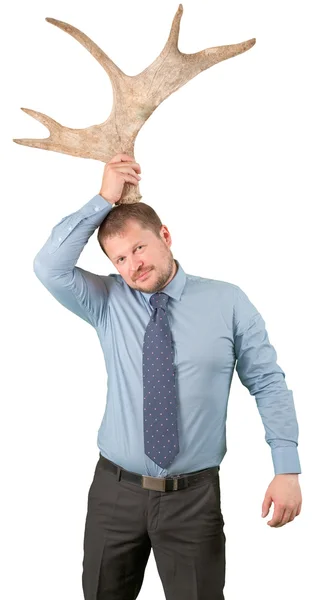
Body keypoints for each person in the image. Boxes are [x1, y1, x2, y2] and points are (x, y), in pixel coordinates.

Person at [33, 153, 302, 600]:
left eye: (139, 248)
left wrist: (286, 467)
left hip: (193, 500)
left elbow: (268, 381)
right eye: (120, 258)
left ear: (166, 236)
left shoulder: (228, 301)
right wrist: (103, 199)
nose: (133, 265)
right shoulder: (105, 300)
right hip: (114, 494)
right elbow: (48, 266)